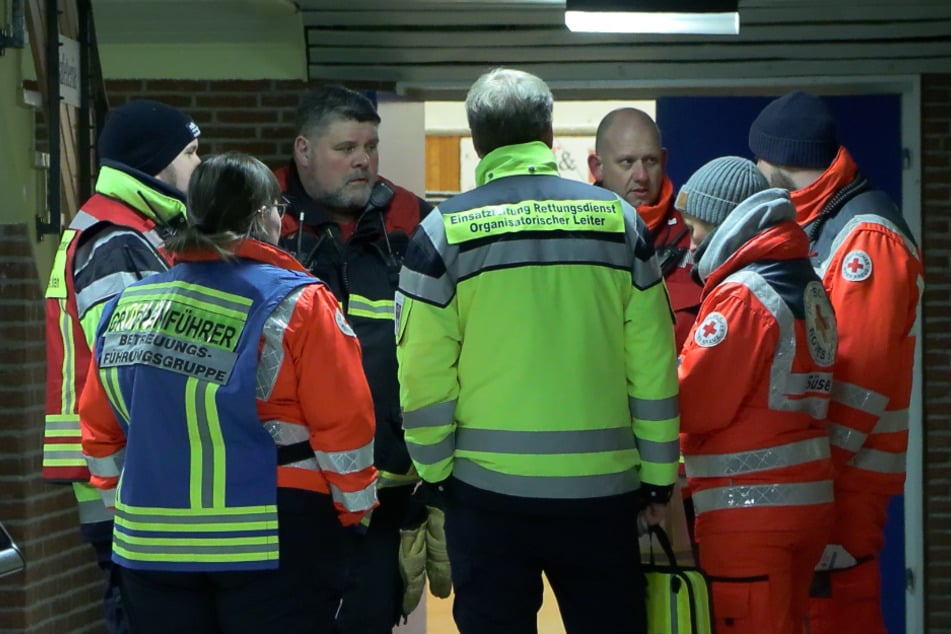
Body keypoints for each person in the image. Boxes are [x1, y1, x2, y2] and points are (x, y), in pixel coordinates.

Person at [395, 67, 681, 634]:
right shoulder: (619, 224)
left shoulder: (443, 233)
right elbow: (652, 363)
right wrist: (657, 478)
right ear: (548, 134)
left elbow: (424, 372)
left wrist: (436, 471)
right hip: (602, 495)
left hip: (486, 495)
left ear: (479, 141)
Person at [78, 152, 378, 634]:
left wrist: (125, 503)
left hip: (151, 542)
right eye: (278, 207)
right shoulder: (299, 302)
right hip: (273, 535)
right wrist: (355, 513)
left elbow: (98, 428)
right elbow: (345, 424)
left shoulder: (128, 305)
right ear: (262, 215)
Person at [748, 91, 923, 634]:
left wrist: (809, 482)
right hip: (825, 483)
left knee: (833, 612)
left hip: (839, 490)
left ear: (777, 165)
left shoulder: (865, 237)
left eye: (758, 166)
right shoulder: (824, 221)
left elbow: (854, 385)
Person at [274, 84, 439, 631]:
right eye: (346, 148)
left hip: (384, 490)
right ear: (303, 150)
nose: (363, 160)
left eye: (370, 146)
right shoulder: (264, 219)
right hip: (286, 492)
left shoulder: (413, 220)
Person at [43, 99, 201, 633]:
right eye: (191, 152)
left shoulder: (134, 228)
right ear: (156, 162)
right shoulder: (116, 238)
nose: (200, 165)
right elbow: (133, 367)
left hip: (126, 467)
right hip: (125, 473)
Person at [675, 156, 838, 634]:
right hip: (803, 509)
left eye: (695, 228)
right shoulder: (806, 282)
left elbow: (694, 404)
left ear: (724, 220)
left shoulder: (743, 295)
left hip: (748, 516)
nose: (690, 244)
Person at [589, 107, 701, 348]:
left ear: (664, 160)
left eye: (650, 161)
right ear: (597, 167)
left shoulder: (698, 237)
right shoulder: (572, 236)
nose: (641, 175)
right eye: (627, 162)